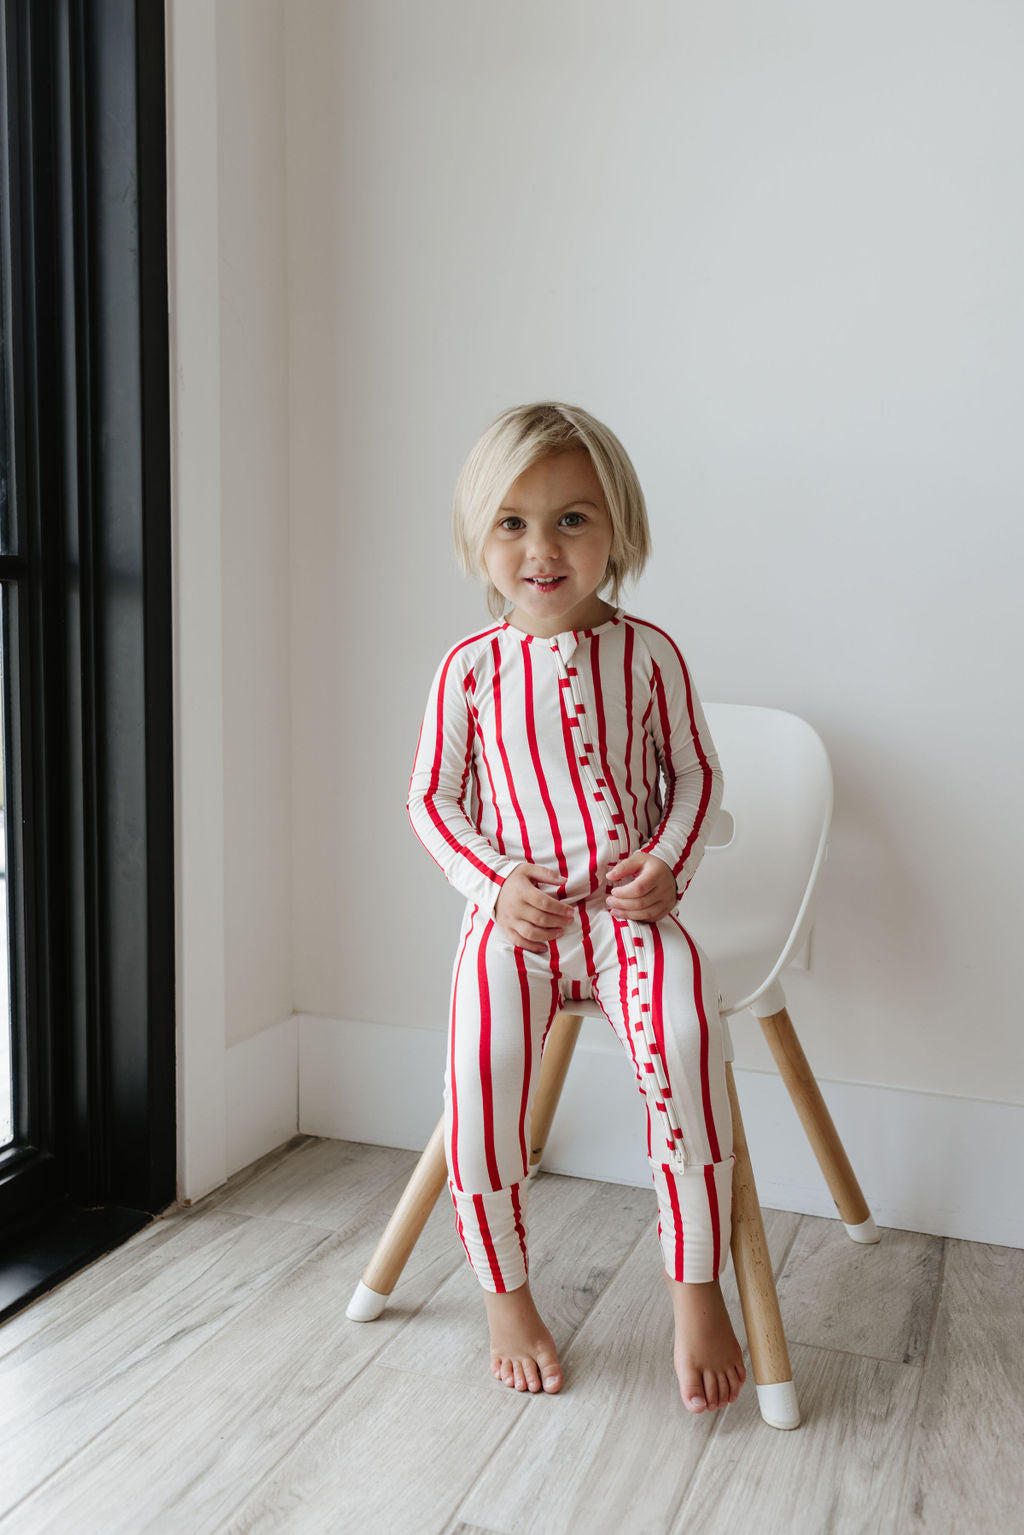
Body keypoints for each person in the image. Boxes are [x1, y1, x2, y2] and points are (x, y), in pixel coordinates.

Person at [406, 401, 746, 1414]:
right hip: (520, 916)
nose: (541, 548)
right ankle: (503, 1292)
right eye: (512, 521)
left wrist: (666, 864)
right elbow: (431, 799)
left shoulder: (650, 656)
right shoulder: (467, 670)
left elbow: (692, 775)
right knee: (479, 1069)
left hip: (631, 913)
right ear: (478, 536)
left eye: (571, 519)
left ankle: (695, 1283)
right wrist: (493, 884)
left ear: (618, 531)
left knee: (685, 1038)